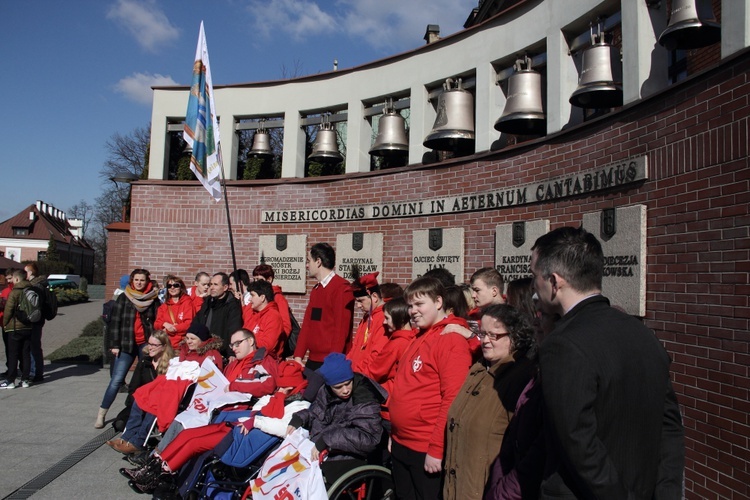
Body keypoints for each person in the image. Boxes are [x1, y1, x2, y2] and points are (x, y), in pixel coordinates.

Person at [531, 226, 684, 498]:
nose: (534, 289)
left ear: (554, 282)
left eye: (535, 278)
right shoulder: (643, 334)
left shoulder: (562, 345)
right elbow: (670, 429)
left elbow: (579, 444)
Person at [388, 276, 474, 500]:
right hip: (401, 442)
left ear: (438, 302)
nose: (412, 311)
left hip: (425, 448)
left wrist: (437, 448)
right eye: (410, 305)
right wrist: (394, 431)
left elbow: (453, 398)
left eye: (419, 304)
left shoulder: (450, 339)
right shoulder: (419, 336)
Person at [443, 305, 537, 500]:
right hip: (457, 487)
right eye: (482, 333)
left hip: (489, 491)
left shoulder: (522, 378)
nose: (485, 340)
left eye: (494, 335)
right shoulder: (478, 369)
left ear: (515, 335)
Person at [107, 323, 223, 456]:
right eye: (187, 338)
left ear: (202, 340)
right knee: (141, 397)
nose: (189, 341)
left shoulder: (211, 354)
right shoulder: (185, 350)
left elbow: (211, 379)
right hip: (170, 384)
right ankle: (127, 437)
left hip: (187, 392)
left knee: (157, 404)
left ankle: (138, 442)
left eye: (193, 339)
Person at [287, 352, 386, 487]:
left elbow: (368, 438)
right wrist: (300, 417)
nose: (345, 390)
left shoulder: (364, 397)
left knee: (308, 482)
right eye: (338, 387)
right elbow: (317, 413)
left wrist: (328, 440)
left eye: (347, 383)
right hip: (323, 449)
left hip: (351, 455)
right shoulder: (326, 391)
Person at [95, 268, 160, 428]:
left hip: (145, 344)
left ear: (147, 281)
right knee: (116, 380)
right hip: (125, 344)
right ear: (132, 281)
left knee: (146, 379)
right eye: (136, 280)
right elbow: (115, 322)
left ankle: (144, 412)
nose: (139, 283)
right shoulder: (125, 297)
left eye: (142, 280)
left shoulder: (153, 299)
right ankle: (102, 413)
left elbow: (158, 320)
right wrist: (114, 344)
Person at [293, 243, 355, 370]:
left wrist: (332, 363)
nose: (306, 265)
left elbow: (340, 330)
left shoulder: (341, 288)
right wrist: (298, 356)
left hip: (330, 362)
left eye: (309, 261)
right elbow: (308, 325)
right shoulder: (316, 290)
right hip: (313, 360)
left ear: (318, 262)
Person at [113, 330, 176, 432]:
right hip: (141, 401)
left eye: (154, 345)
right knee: (120, 423)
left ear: (164, 346)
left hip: (158, 405)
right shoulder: (144, 361)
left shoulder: (172, 364)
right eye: (149, 344)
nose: (150, 347)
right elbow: (134, 386)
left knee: (146, 423)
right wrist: (133, 404)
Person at [365, 297, 416, 423]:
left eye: (387, 318)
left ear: (400, 317)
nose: (384, 322)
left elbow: (374, 372)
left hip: (387, 403)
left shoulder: (396, 344)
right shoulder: (414, 339)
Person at [192, 272, 243, 358]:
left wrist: (231, 353)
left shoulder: (232, 305)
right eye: (210, 284)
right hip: (204, 349)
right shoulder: (208, 302)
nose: (211, 287)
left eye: (215, 284)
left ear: (225, 287)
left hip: (221, 352)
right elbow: (198, 321)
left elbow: (234, 329)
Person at [347, 271, 388, 375]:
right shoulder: (367, 317)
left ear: (374, 296)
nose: (358, 306)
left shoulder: (385, 318)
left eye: (361, 301)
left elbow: (376, 355)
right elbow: (355, 347)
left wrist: (356, 373)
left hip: (365, 377)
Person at [1, 270, 34, 389]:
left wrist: (5, 324)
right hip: (29, 326)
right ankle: (25, 380)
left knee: (13, 354)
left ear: (16, 279)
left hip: (15, 327)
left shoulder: (15, 292)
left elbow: (8, 309)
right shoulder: (32, 290)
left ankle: (10, 380)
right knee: (25, 353)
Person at [241, 279, 284, 358]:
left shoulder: (273, 316)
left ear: (262, 297)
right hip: (247, 359)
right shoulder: (252, 313)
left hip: (263, 362)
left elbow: (268, 345)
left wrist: (246, 341)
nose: (250, 299)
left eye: (253, 295)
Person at [252, 264, 292, 342]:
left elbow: (286, 325)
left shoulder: (278, 298)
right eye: (254, 280)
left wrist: (278, 343)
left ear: (269, 279)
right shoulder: (255, 296)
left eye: (258, 279)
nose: (256, 283)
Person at [154, 275, 195, 348]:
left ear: (181, 287)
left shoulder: (188, 303)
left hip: (181, 345)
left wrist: (171, 329)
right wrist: (164, 324)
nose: (172, 287)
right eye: (169, 286)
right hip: (166, 345)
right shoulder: (164, 306)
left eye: (175, 285)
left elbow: (188, 324)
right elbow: (156, 324)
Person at [24, 262, 48, 382]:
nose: (24, 274)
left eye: (26, 271)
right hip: (38, 319)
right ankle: (35, 371)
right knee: (34, 346)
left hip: (35, 319)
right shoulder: (40, 284)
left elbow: (34, 304)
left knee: (33, 346)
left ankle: (35, 373)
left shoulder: (36, 286)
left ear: (31, 272)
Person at [0, 269, 15, 378]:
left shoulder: (15, 290)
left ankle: (15, 370)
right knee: (8, 347)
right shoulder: (5, 291)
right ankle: (10, 367)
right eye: (7, 279)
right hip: (3, 323)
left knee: (14, 348)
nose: (8, 281)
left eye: (10, 278)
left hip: (13, 323)